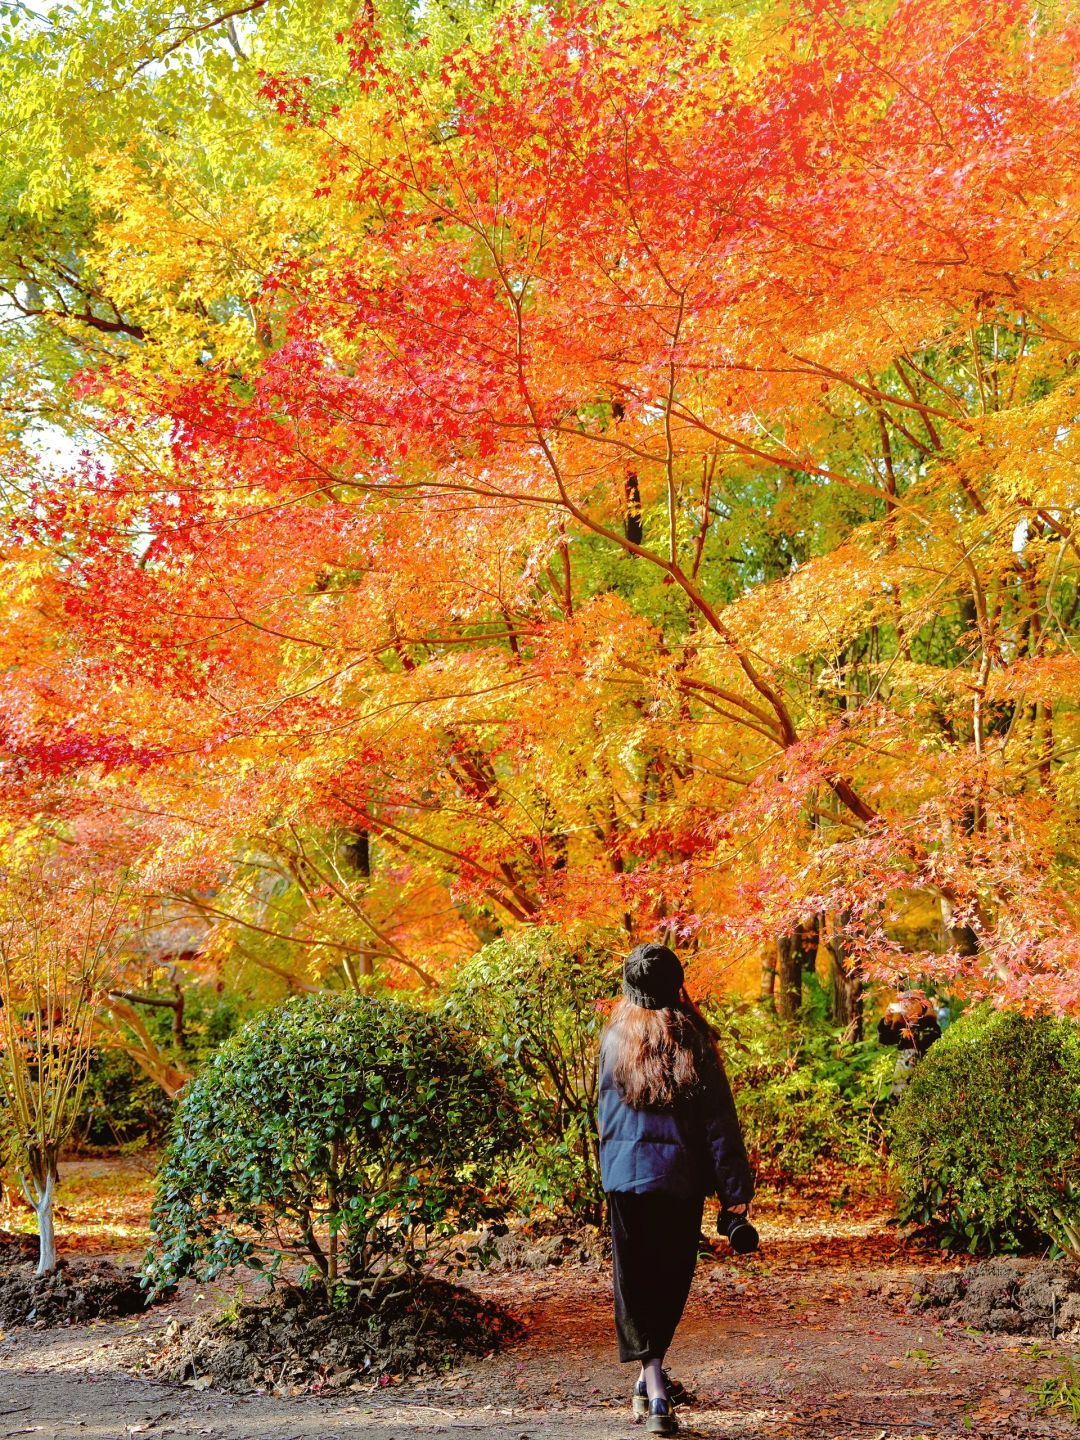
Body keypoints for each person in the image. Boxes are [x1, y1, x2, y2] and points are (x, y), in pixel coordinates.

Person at [598, 942, 755, 1436]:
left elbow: (601, 1117)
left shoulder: (613, 1040)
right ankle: (657, 1387)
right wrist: (735, 1191)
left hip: (624, 1179)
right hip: (678, 1181)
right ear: (676, 986)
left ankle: (650, 1383)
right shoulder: (693, 1039)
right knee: (668, 1281)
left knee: (635, 1282)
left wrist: (609, 1171)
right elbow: (719, 1124)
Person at [877, 990, 942, 1101]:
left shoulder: (930, 1024)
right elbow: (885, 1040)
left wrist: (915, 1026)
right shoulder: (900, 1025)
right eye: (904, 1002)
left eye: (912, 1002)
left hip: (922, 1072)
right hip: (902, 1074)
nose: (907, 1005)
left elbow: (932, 1043)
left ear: (922, 1005)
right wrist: (887, 1021)